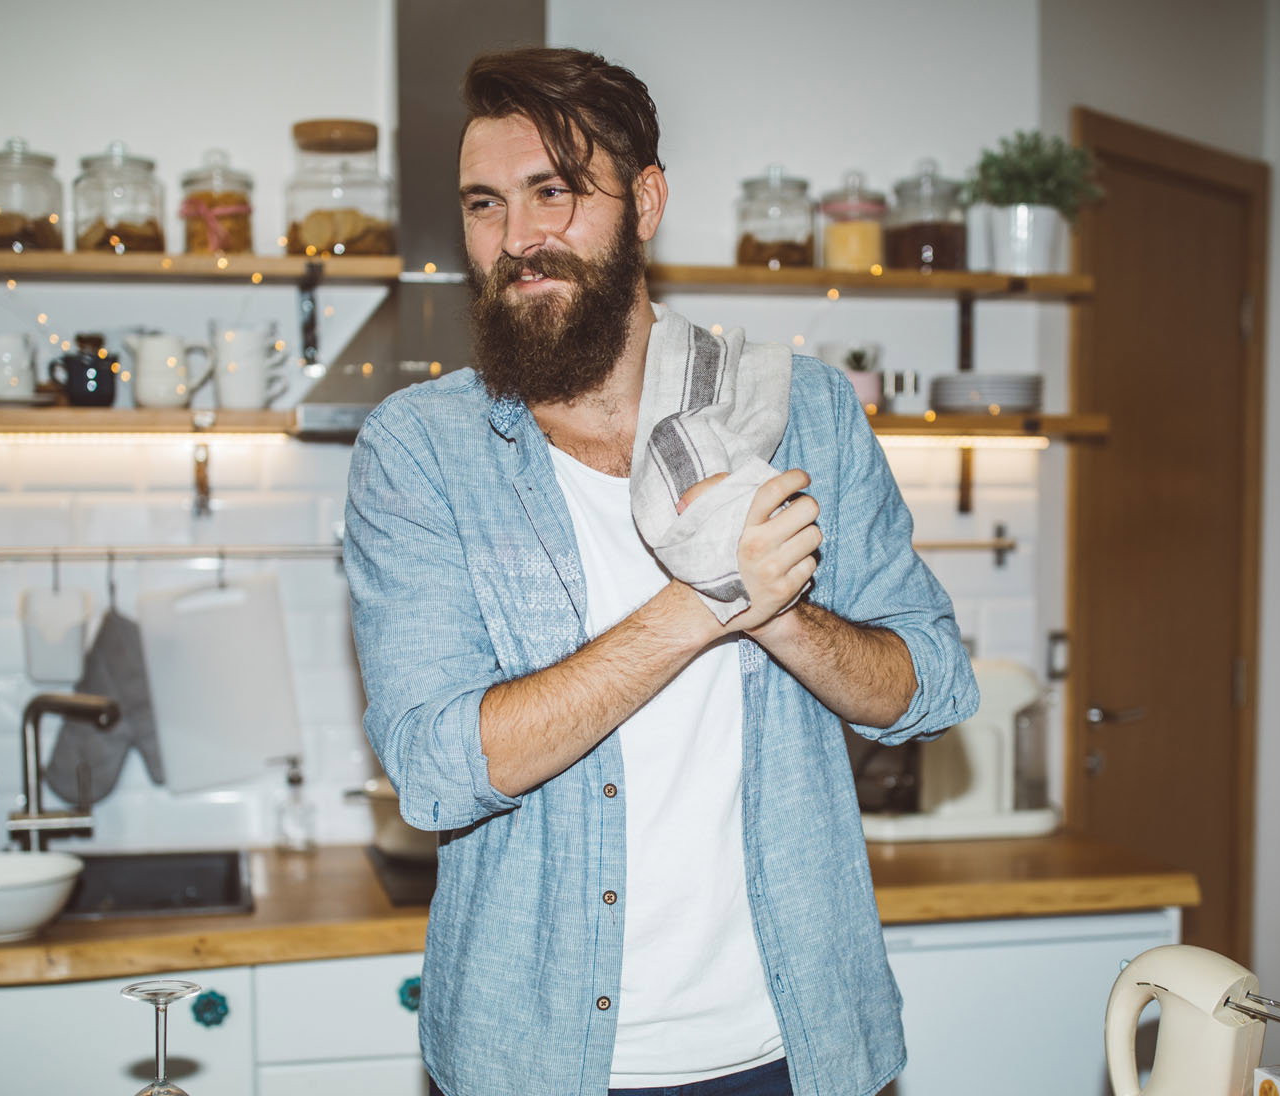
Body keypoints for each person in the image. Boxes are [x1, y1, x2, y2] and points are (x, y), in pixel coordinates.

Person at [344, 46, 978, 1096]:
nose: (518, 240)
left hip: (799, 1044)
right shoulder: (420, 453)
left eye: (556, 193)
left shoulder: (800, 409)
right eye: (484, 205)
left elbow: (930, 685)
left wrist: (785, 619)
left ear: (645, 201)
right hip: (537, 1060)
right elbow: (436, 767)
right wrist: (705, 602)